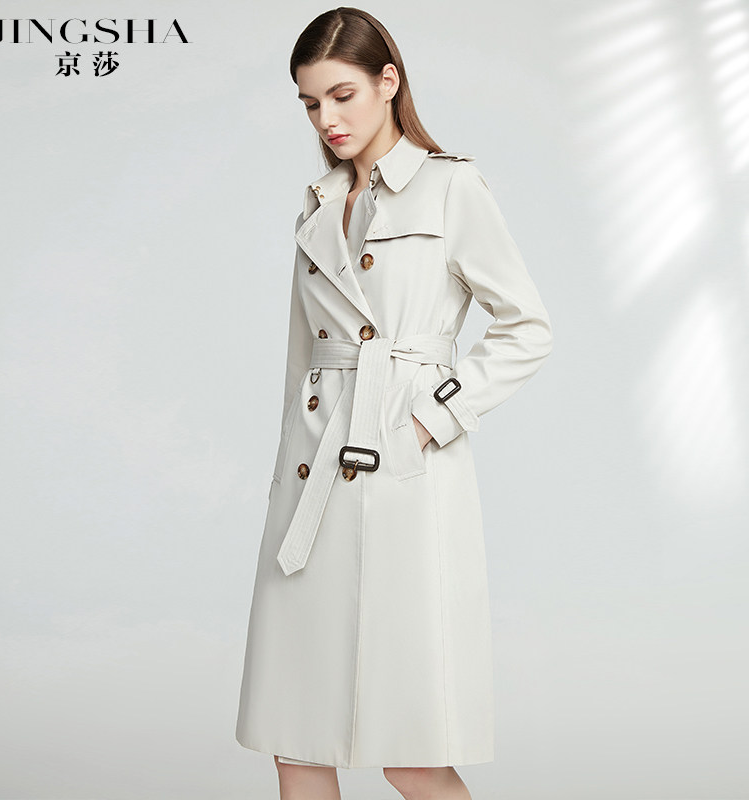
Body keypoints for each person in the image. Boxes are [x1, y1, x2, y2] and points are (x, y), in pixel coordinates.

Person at [235, 7, 553, 799]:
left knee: (409, 748)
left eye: (342, 95)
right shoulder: (318, 204)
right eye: (311, 103)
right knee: (295, 737)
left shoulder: (451, 186)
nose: (327, 119)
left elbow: (526, 327)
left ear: (388, 81)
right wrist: (284, 477)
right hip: (311, 483)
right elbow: (303, 361)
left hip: (403, 477)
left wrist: (426, 422)